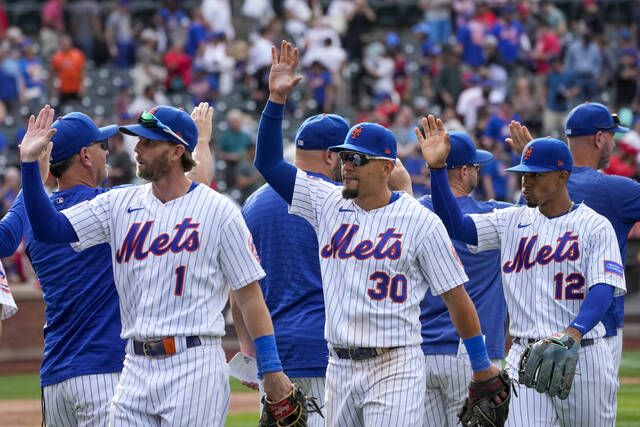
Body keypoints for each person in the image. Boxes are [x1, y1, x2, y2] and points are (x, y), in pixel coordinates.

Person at [254, 40, 503, 427]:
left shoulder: (419, 219)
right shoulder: (326, 202)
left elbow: (457, 297)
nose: (346, 165)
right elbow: (268, 162)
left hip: (396, 362)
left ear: (387, 167)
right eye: (344, 156)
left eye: (357, 159)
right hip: (337, 364)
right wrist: (276, 100)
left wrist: (482, 366)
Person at [0, 104, 215, 426]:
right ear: (86, 156)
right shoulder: (114, 206)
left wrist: (34, 173)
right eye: (102, 147)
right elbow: (192, 186)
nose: (107, 154)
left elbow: (4, 240)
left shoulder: (31, 214)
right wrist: (203, 141)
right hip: (105, 371)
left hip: (55, 377)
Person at [420, 115, 626, 426]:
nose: (525, 182)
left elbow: (603, 288)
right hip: (524, 356)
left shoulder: (594, 225)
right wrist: (437, 171)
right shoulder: (511, 220)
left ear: (562, 176)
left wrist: (573, 333)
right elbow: (456, 225)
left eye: (536, 176)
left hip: (583, 353)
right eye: (523, 175)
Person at [236, 113, 350, 427]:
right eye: (348, 155)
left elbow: (239, 287)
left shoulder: (253, 203)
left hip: (272, 353)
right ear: (330, 156)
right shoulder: (339, 203)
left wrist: (250, 353)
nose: (352, 164)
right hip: (329, 349)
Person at [509, 102, 635, 379]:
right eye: (612, 136)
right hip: (597, 329)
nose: (613, 143)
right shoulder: (616, 189)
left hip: (538, 326)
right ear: (600, 138)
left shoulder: (533, 192)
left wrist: (536, 164)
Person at [418, 131, 510, 426]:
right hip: (473, 352)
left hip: (420, 351)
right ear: (463, 170)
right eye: (475, 166)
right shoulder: (494, 214)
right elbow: (541, 211)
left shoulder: (414, 211)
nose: (478, 171)